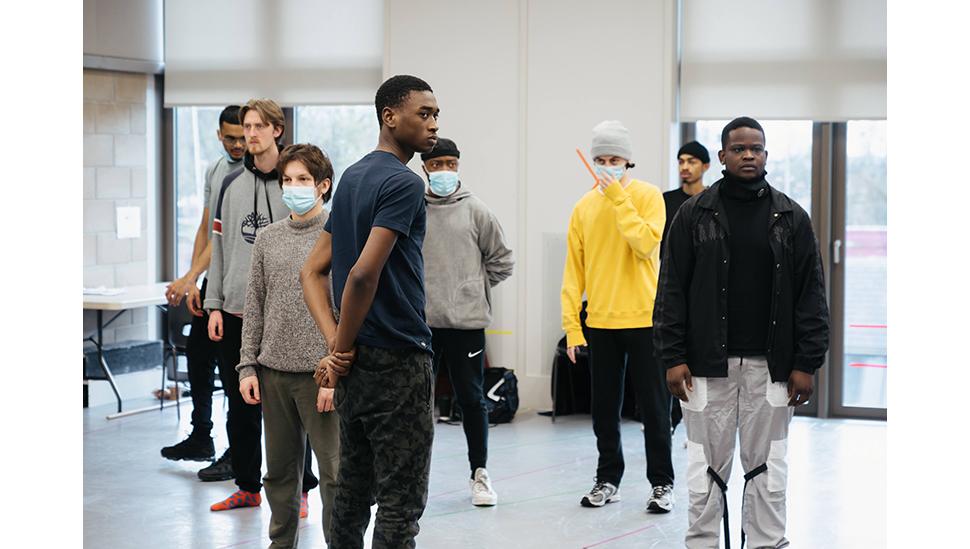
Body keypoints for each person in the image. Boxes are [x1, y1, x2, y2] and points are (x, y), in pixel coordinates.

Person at [654, 117, 829, 548]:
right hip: (704, 366)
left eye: (756, 148)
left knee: (769, 466)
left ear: (766, 154)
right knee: (703, 468)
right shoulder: (693, 215)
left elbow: (811, 294)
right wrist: (673, 357)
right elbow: (671, 289)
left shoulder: (791, 217)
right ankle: (702, 542)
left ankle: (768, 542)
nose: (748, 155)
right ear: (722, 156)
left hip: (773, 368)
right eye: (738, 149)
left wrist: (806, 363)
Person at [302, 74, 439, 549]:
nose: (434, 124)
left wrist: (337, 347)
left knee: (353, 490)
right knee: (401, 500)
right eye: (424, 114)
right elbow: (362, 275)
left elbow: (311, 272)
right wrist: (338, 349)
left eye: (436, 115)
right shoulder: (404, 183)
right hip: (398, 358)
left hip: (356, 361)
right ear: (390, 117)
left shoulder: (354, 177)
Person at [204, 99, 321, 512]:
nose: (250, 134)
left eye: (257, 126)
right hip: (236, 310)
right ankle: (248, 487)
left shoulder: (294, 187)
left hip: (287, 315)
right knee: (240, 407)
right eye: (246, 126)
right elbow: (219, 247)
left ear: (277, 130)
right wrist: (214, 304)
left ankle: (301, 490)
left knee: (293, 411)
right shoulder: (229, 185)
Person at [561, 120, 675, 513]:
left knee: (655, 409)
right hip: (601, 323)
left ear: (628, 161)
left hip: (645, 320)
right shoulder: (583, 207)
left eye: (615, 160)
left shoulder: (648, 196)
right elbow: (573, 273)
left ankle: (662, 483)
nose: (607, 167)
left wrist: (618, 200)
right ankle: (607, 479)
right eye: (601, 160)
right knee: (604, 410)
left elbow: (645, 244)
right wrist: (572, 328)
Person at [237, 144, 340, 547]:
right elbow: (255, 304)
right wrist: (247, 366)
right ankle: (281, 543)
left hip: (322, 376)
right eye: (287, 180)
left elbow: (348, 309)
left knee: (335, 474)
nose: (293, 187)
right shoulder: (268, 238)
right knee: (279, 473)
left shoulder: (339, 235)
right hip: (274, 374)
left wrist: (336, 371)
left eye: (303, 180)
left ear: (323, 185)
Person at [420, 137, 514, 507]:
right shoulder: (413, 209)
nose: (444, 170)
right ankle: (413, 479)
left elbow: (502, 261)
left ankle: (480, 473)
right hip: (422, 326)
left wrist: (471, 288)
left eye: (450, 164)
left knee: (471, 399)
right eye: (437, 164)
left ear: (458, 166)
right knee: (416, 403)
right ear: (425, 168)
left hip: (467, 325)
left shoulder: (477, 211)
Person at [161, 105, 244, 480]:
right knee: (197, 354)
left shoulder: (248, 176)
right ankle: (200, 435)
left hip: (237, 282)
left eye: (243, 137)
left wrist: (191, 275)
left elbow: (225, 237)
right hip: (214, 279)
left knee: (232, 370)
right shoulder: (216, 169)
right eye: (231, 138)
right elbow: (206, 227)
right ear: (219, 135)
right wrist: (194, 281)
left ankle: (238, 452)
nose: (238, 144)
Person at [662, 140, 711, 434]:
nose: (685, 167)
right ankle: (669, 418)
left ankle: (696, 418)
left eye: (691, 161)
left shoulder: (714, 201)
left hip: (704, 289)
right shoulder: (666, 201)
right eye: (681, 161)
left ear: (705, 166)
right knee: (671, 353)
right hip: (673, 286)